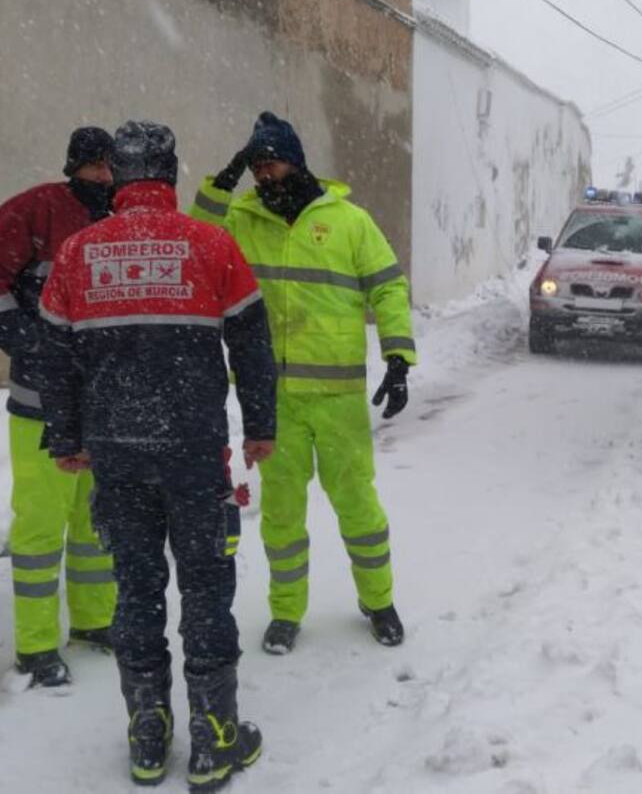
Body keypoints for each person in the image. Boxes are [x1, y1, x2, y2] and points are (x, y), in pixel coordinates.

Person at [38, 121, 277, 789]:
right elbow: (251, 344)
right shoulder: (210, 244)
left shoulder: (78, 252)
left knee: (135, 591)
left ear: (114, 174)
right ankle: (215, 735)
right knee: (206, 588)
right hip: (194, 452)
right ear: (169, 176)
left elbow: (54, 357)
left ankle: (148, 732)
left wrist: (67, 436)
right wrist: (260, 424)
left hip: (117, 453)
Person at [192, 112, 415, 655]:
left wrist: (399, 355)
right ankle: (286, 612)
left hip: (337, 398)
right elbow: (196, 238)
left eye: (272, 163)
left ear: (296, 161)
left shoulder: (347, 220)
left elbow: (387, 287)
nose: (265, 176)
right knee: (282, 514)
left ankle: (378, 600)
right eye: (257, 167)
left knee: (358, 508)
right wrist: (222, 181)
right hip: (273, 398)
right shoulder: (242, 219)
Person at [0, 126, 117, 687]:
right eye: (93, 167)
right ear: (73, 166)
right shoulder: (35, 210)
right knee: (41, 524)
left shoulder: (120, 220)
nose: (103, 177)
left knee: (93, 522)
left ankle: (94, 622)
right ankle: (37, 645)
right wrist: (26, 341)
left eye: (109, 167)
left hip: (100, 403)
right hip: (40, 402)